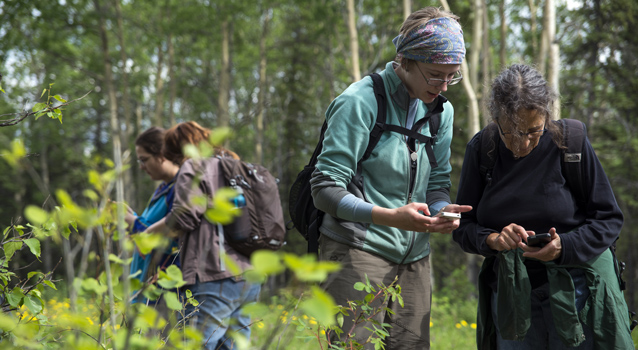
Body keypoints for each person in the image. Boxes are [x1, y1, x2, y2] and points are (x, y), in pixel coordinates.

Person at [310, 7, 472, 349]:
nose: (444, 86)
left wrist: (441, 210)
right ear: (407, 60)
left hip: (414, 257)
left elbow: (438, 181)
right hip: (357, 249)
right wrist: (390, 217)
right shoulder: (359, 101)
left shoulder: (441, 111)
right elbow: (324, 188)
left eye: (452, 76)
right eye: (435, 75)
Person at [452, 64, 634, 349]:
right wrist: (493, 240)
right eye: (510, 132)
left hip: (576, 291)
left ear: (547, 117)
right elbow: (462, 226)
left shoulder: (570, 143)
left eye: (533, 131)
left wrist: (565, 247)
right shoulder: (482, 148)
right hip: (513, 296)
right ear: (495, 119)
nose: (521, 144)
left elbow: (608, 219)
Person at [144, 121, 259, 350]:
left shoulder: (193, 167)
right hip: (249, 277)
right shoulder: (237, 166)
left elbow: (184, 216)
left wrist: (149, 231)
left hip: (214, 276)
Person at [125, 126, 180, 304]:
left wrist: (134, 222)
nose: (141, 167)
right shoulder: (163, 189)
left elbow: (174, 238)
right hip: (145, 289)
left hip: (162, 292)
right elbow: (152, 229)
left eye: (144, 160)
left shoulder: (180, 189)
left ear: (162, 154)